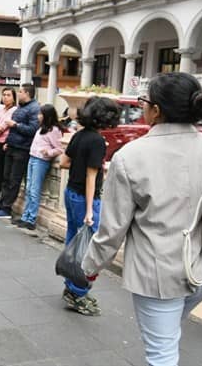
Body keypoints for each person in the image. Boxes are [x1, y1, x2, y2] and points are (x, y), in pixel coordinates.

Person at [82, 73, 202, 366]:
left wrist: (89, 268)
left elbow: (112, 230)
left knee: (162, 355)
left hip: (159, 279)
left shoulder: (131, 157)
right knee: (166, 337)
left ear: (155, 110)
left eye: (145, 103)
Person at [58, 96, 120, 316]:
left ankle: (71, 283)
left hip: (71, 193)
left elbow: (63, 162)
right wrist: (89, 212)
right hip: (85, 199)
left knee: (73, 239)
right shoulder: (96, 141)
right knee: (89, 246)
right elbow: (91, 177)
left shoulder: (79, 135)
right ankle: (77, 291)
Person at [0, 83, 40, 219]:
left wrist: (15, 125)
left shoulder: (34, 108)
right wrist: (8, 142)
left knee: (14, 180)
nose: (18, 94)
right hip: (11, 146)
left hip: (22, 149)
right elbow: (10, 128)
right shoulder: (21, 108)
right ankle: (0, 204)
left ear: (27, 93)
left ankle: (6, 208)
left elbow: (32, 129)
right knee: (6, 178)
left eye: (20, 92)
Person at [14, 104, 65, 235]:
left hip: (41, 160)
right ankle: (25, 216)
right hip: (33, 158)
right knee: (29, 188)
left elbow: (59, 148)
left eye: (41, 114)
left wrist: (48, 152)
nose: (38, 116)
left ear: (47, 116)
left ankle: (31, 219)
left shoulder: (54, 130)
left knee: (35, 189)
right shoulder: (41, 128)